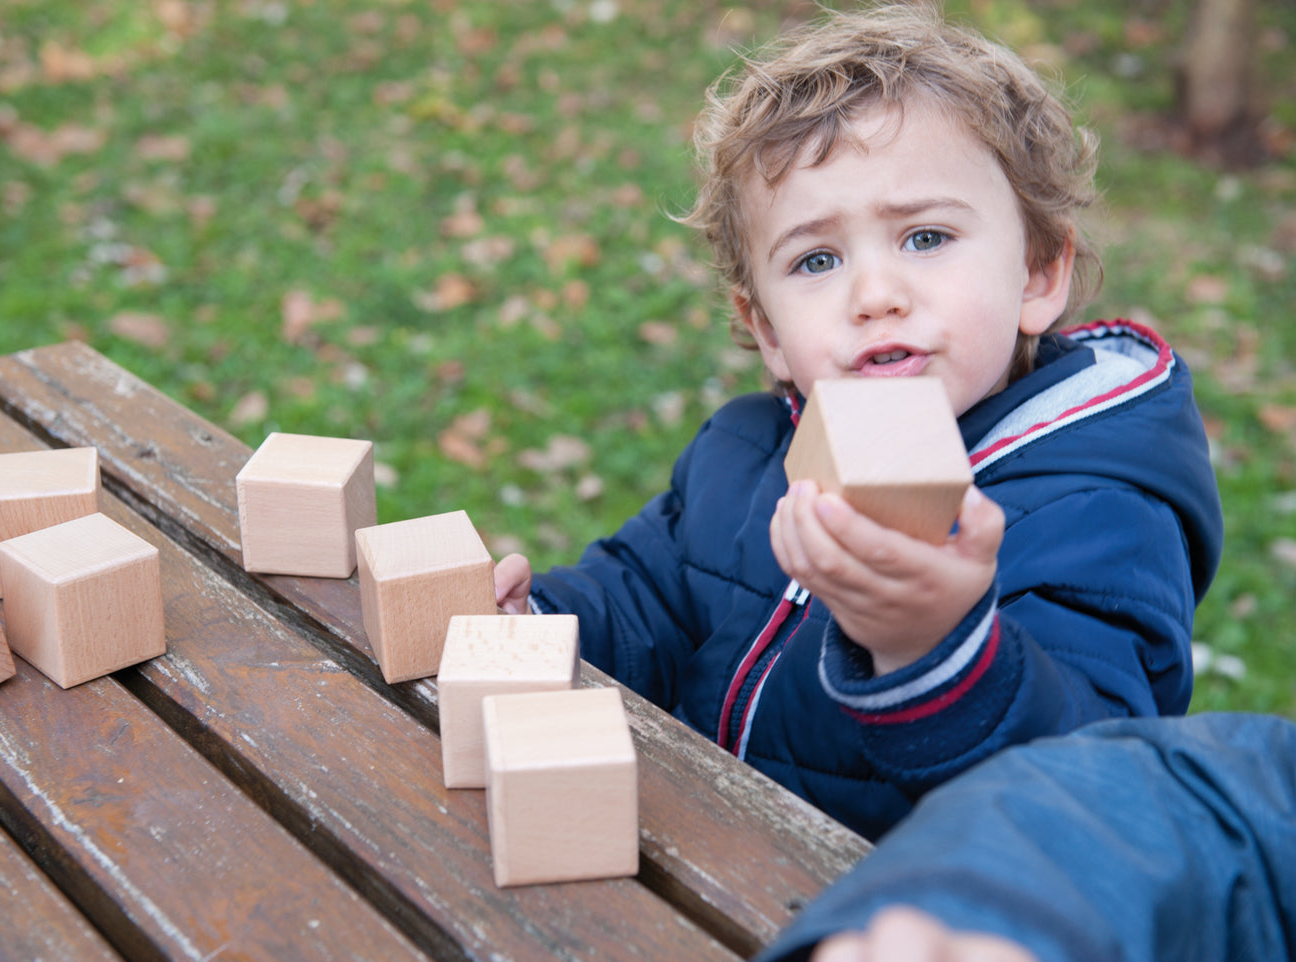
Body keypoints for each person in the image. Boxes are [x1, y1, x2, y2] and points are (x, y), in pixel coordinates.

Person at [494, 4, 1223, 839]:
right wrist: (541, 626)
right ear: (766, 328)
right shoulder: (746, 453)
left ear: (1036, 273)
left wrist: (932, 648)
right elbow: (643, 602)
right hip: (705, 878)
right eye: (816, 259)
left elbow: (1089, 798)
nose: (874, 295)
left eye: (924, 237)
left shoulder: (1095, 510)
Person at [753, 712, 1296, 962]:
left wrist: (929, 652)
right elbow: (1200, 807)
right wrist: (1004, 916)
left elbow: (1072, 719)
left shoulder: (1103, 515)